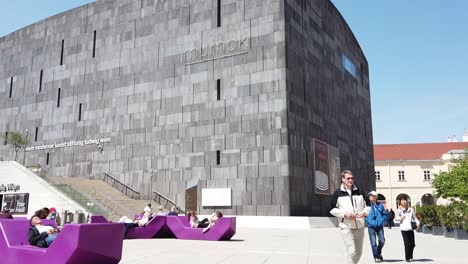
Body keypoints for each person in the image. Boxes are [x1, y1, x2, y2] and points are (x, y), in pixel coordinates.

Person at [330, 170, 370, 264]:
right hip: (346, 226)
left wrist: (364, 212)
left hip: (359, 226)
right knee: (351, 252)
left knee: (359, 253)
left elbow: (369, 205)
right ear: (343, 179)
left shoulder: (360, 191)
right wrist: (344, 214)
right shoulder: (337, 193)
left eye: (352, 178)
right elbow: (332, 209)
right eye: (348, 178)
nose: (351, 180)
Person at [395, 198, 420, 262]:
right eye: (402, 201)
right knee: (406, 243)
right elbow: (396, 218)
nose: (403, 202)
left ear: (407, 201)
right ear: (400, 202)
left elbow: (414, 217)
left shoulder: (411, 209)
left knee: (412, 244)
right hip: (403, 229)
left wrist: (418, 223)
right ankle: (407, 257)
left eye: (404, 200)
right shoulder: (398, 210)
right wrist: (401, 218)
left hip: (410, 228)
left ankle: (410, 255)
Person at [365, 191, 387, 263]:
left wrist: (382, 220)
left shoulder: (380, 205)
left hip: (379, 226)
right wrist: (367, 221)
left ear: (376, 197)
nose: (371, 197)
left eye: (373, 196)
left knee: (382, 241)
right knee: (373, 243)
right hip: (371, 226)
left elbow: (384, 214)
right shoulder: (367, 205)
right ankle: (376, 257)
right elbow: (364, 214)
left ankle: (378, 252)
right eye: (370, 195)